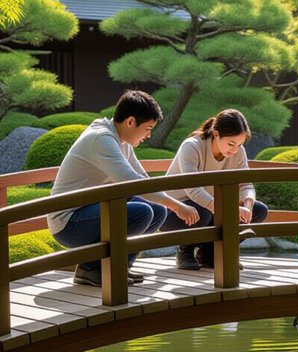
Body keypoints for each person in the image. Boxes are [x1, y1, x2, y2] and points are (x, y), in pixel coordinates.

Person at [47, 90, 199, 286]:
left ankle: (118, 267)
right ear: (130, 122)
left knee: (158, 211)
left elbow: (142, 177)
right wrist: (178, 207)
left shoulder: (120, 139)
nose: (148, 135)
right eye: (147, 128)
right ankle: (90, 269)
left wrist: (171, 204)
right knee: (142, 212)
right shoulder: (101, 139)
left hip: (89, 210)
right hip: (69, 222)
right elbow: (130, 181)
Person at [161, 108, 268, 269]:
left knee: (259, 210)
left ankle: (210, 253)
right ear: (216, 134)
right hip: (175, 210)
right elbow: (194, 191)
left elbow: (245, 184)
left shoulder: (238, 153)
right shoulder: (192, 146)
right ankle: (185, 251)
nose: (235, 149)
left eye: (240, 144)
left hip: (213, 207)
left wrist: (247, 204)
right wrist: (227, 208)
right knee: (200, 213)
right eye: (231, 143)